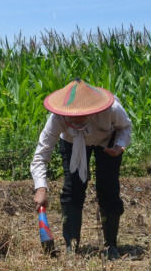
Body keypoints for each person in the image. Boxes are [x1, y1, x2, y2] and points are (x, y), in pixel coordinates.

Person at [31, 78, 132, 259]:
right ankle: (72, 245)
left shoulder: (112, 110)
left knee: (108, 188)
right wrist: (40, 187)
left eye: (81, 115)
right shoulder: (58, 119)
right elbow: (41, 154)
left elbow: (125, 127)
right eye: (72, 115)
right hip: (72, 142)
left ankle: (111, 245)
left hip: (107, 141)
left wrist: (119, 145)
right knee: (73, 188)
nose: (75, 119)